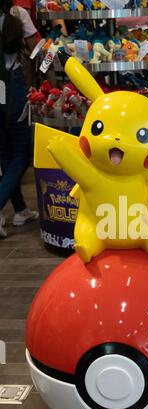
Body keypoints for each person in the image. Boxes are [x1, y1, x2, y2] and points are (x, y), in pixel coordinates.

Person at [0, 0, 38, 238]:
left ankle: (21, 210)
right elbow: (35, 49)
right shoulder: (18, 13)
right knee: (24, 151)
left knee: (6, 153)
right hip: (13, 87)